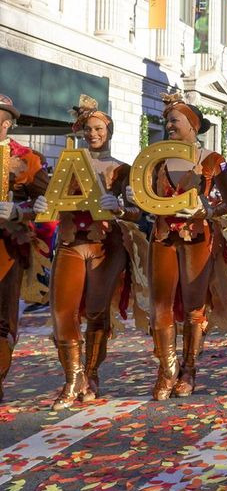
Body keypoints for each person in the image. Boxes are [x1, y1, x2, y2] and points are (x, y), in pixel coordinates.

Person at [34, 96, 145, 408]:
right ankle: (72, 379)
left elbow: (138, 213)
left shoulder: (123, 170)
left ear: (109, 131)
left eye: (98, 128)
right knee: (61, 312)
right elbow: (47, 203)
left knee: (97, 310)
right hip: (70, 243)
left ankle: (92, 374)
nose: (92, 133)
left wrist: (122, 208)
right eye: (87, 129)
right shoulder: (66, 167)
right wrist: (42, 206)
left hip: (106, 247)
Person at [136, 93, 227, 400]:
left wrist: (209, 208)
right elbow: (146, 200)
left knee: (195, 306)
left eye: (174, 120)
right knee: (161, 304)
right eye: (167, 120)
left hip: (198, 237)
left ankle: (189, 370)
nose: (168, 124)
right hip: (164, 235)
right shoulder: (155, 160)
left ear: (193, 126)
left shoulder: (213, 160)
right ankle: (167, 369)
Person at [0, 95, 50, 402]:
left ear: (5, 124)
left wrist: (20, 212)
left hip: (6, 248)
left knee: (2, 319)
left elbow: (48, 202)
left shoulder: (26, 159)